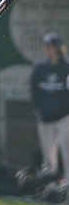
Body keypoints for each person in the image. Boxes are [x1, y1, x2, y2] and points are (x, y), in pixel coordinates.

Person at [31, 32, 69, 183]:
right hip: (46, 117)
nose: (49, 49)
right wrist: (41, 108)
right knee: (48, 154)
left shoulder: (66, 67)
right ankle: (49, 184)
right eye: (47, 46)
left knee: (67, 150)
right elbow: (34, 92)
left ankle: (67, 182)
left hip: (64, 117)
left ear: (59, 48)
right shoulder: (40, 67)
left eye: (52, 46)